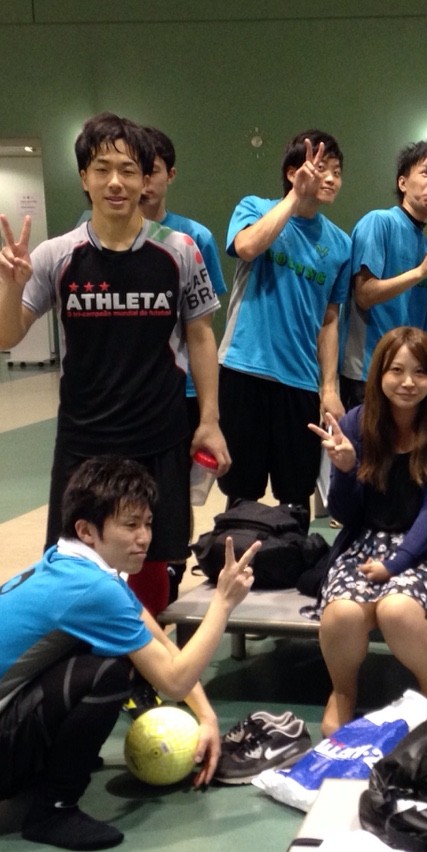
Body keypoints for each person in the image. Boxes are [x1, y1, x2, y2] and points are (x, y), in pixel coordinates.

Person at [0, 112, 228, 616]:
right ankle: (90, 658)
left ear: (147, 179)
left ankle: (148, 656)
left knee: (152, 558)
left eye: (128, 170)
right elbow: (7, 335)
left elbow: (200, 335)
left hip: (158, 432)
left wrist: (209, 420)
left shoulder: (179, 251)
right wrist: (11, 287)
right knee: (76, 560)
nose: (115, 182)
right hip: (84, 437)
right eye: (102, 169)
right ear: (84, 178)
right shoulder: (57, 254)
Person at [0, 457, 258, 851]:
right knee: (109, 671)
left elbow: (160, 643)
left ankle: (52, 765)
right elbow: (174, 680)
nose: (144, 537)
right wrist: (223, 604)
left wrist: (206, 717)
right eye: (130, 525)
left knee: (120, 651)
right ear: (86, 531)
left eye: (148, 524)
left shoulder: (68, 562)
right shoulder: (93, 589)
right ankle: (53, 809)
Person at [305, 327, 427, 735]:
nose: (407, 382)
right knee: (342, 614)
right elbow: (346, 514)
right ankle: (343, 693)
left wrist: (396, 564)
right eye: (396, 370)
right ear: (379, 375)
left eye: (420, 372)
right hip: (366, 543)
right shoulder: (356, 422)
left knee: (397, 611)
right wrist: (346, 470)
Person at [218, 129, 351, 534]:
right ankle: (235, 557)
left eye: (337, 172)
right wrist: (294, 198)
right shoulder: (254, 207)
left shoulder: (340, 244)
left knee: (296, 492)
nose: (331, 179)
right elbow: (246, 247)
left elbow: (330, 319)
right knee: (241, 488)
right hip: (244, 368)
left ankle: (292, 557)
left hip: (300, 381)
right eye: (322, 169)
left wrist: (329, 388)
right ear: (294, 172)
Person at [139, 125, 229, 602]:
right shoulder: (88, 238)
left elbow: (202, 328)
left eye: (150, 171)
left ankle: (170, 574)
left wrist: (210, 414)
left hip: (183, 395)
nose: (141, 183)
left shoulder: (194, 238)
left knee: (174, 496)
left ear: (169, 175)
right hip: (125, 398)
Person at [340, 141, 427, 411]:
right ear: (403, 183)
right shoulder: (379, 222)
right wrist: (420, 272)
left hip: (413, 373)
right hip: (369, 370)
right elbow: (364, 295)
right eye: (426, 173)